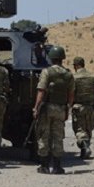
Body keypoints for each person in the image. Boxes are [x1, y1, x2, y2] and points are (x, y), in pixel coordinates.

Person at [32, 46, 74, 174]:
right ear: (62, 58)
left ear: (51, 58)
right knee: (58, 136)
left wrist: (36, 107)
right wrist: (68, 108)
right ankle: (57, 167)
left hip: (47, 107)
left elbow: (41, 91)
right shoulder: (68, 74)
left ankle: (44, 166)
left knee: (44, 135)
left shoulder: (47, 72)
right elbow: (71, 94)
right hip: (61, 108)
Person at [71, 57, 94, 159]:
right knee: (88, 129)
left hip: (78, 107)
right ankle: (84, 151)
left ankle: (85, 147)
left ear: (75, 65)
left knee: (79, 130)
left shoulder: (74, 77)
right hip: (91, 107)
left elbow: (71, 93)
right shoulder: (93, 77)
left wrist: (69, 105)